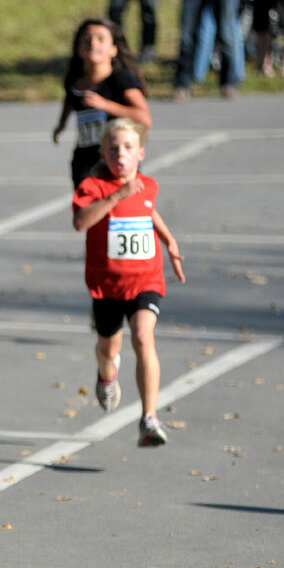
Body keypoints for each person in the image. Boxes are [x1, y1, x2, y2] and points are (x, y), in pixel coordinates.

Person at [72, 118, 186, 447]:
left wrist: (169, 241)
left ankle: (149, 418)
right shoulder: (93, 186)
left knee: (142, 337)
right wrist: (117, 195)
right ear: (104, 153)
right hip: (106, 285)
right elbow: (80, 222)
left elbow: (147, 211)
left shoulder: (147, 185)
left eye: (128, 148)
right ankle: (106, 375)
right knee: (109, 349)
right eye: (113, 149)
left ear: (140, 154)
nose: (120, 154)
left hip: (145, 279)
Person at [52, 18, 152, 189]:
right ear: (78, 47)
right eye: (86, 39)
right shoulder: (74, 81)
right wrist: (61, 123)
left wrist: (105, 105)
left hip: (119, 159)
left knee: (123, 211)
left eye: (100, 39)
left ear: (113, 49)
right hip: (85, 159)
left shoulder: (121, 79)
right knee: (87, 212)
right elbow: (70, 100)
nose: (93, 43)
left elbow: (144, 118)